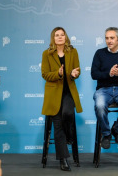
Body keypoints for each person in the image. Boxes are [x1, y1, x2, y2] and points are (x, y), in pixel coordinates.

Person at [41, 27, 82, 171]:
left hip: (68, 92)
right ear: (53, 38)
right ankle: (63, 159)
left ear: (66, 37)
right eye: (57, 35)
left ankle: (70, 134)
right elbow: (45, 74)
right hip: (54, 94)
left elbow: (78, 69)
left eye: (62, 35)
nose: (60, 37)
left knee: (68, 113)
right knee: (57, 124)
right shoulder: (47, 54)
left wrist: (74, 73)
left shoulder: (73, 51)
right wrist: (58, 74)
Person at [91, 27, 118, 149]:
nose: (109, 41)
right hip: (103, 89)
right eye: (106, 38)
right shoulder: (99, 53)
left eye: (112, 38)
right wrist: (109, 74)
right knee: (100, 106)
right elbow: (94, 74)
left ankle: (117, 129)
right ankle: (106, 134)